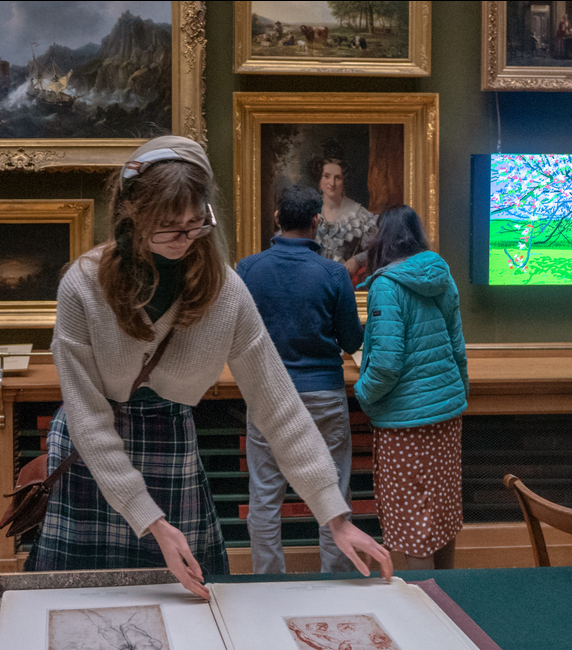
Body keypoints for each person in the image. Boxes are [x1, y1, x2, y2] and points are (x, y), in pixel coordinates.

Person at [30, 135, 391, 598]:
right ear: (130, 218)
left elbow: (277, 405)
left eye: (195, 224)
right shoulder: (82, 286)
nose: (184, 240)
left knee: (191, 614)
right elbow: (88, 416)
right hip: (92, 454)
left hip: (171, 445)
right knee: (86, 607)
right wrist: (152, 522)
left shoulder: (227, 292)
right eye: (168, 228)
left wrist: (335, 516)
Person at [236, 185, 365, 574]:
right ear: (316, 222)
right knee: (333, 493)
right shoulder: (332, 273)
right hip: (323, 393)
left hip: (268, 396)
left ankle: (268, 585)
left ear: (277, 218)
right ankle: (336, 583)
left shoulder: (247, 269)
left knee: (264, 497)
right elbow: (352, 341)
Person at [355, 205, 468, 570]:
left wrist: (363, 395)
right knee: (442, 516)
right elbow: (457, 345)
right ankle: (450, 607)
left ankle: (426, 613)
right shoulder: (441, 274)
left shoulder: (387, 285)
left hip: (405, 424)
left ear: (382, 239)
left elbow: (387, 363)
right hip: (447, 415)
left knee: (414, 521)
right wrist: (456, 392)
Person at [308, 139, 378, 287]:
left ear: (344, 180)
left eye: (337, 178)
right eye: (326, 176)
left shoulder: (359, 215)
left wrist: (357, 260)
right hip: (311, 284)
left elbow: (378, 248)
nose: (332, 183)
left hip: (345, 286)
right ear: (319, 179)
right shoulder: (309, 209)